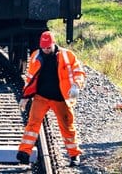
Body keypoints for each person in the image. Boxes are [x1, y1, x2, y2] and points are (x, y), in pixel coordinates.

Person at [16, 31, 86, 167]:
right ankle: (24, 153)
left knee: (67, 126)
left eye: (48, 47)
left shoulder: (67, 55)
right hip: (41, 97)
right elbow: (30, 78)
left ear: (54, 44)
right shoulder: (36, 56)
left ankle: (74, 155)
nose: (46, 50)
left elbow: (79, 72)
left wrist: (76, 86)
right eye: (44, 48)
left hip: (60, 98)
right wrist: (25, 97)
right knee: (32, 124)